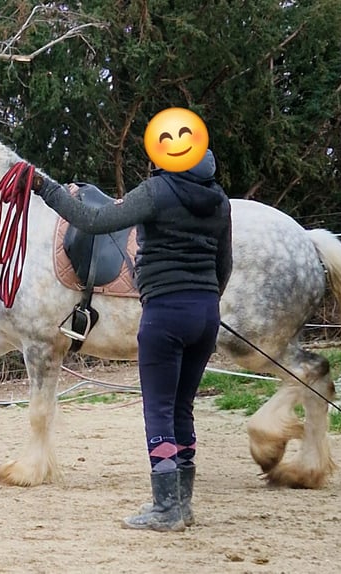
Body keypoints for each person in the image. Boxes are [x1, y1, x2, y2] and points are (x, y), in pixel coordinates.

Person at [32, 148, 232, 532]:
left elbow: (93, 219)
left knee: (158, 409)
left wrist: (46, 187)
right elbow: (225, 265)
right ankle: (183, 503)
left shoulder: (157, 191)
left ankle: (165, 508)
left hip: (165, 314)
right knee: (182, 408)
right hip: (206, 313)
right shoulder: (219, 199)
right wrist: (204, 296)